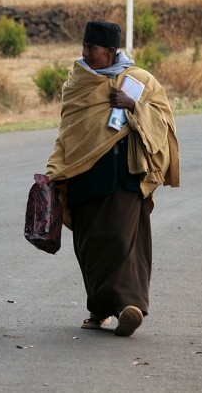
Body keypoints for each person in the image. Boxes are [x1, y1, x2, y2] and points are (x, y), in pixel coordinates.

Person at [45, 20, 179, 337]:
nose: (85, 53)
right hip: (84, 176)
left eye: (92, 48)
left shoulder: (139, 80)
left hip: (125, 177)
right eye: (84, 47)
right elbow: (67, 132)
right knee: (89, 246)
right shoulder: (77, 84)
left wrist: (134, 106)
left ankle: (128, 307)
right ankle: (99, 309)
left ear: (111, 51)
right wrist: (53, 170)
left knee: (123, 241)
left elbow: (163, 121)